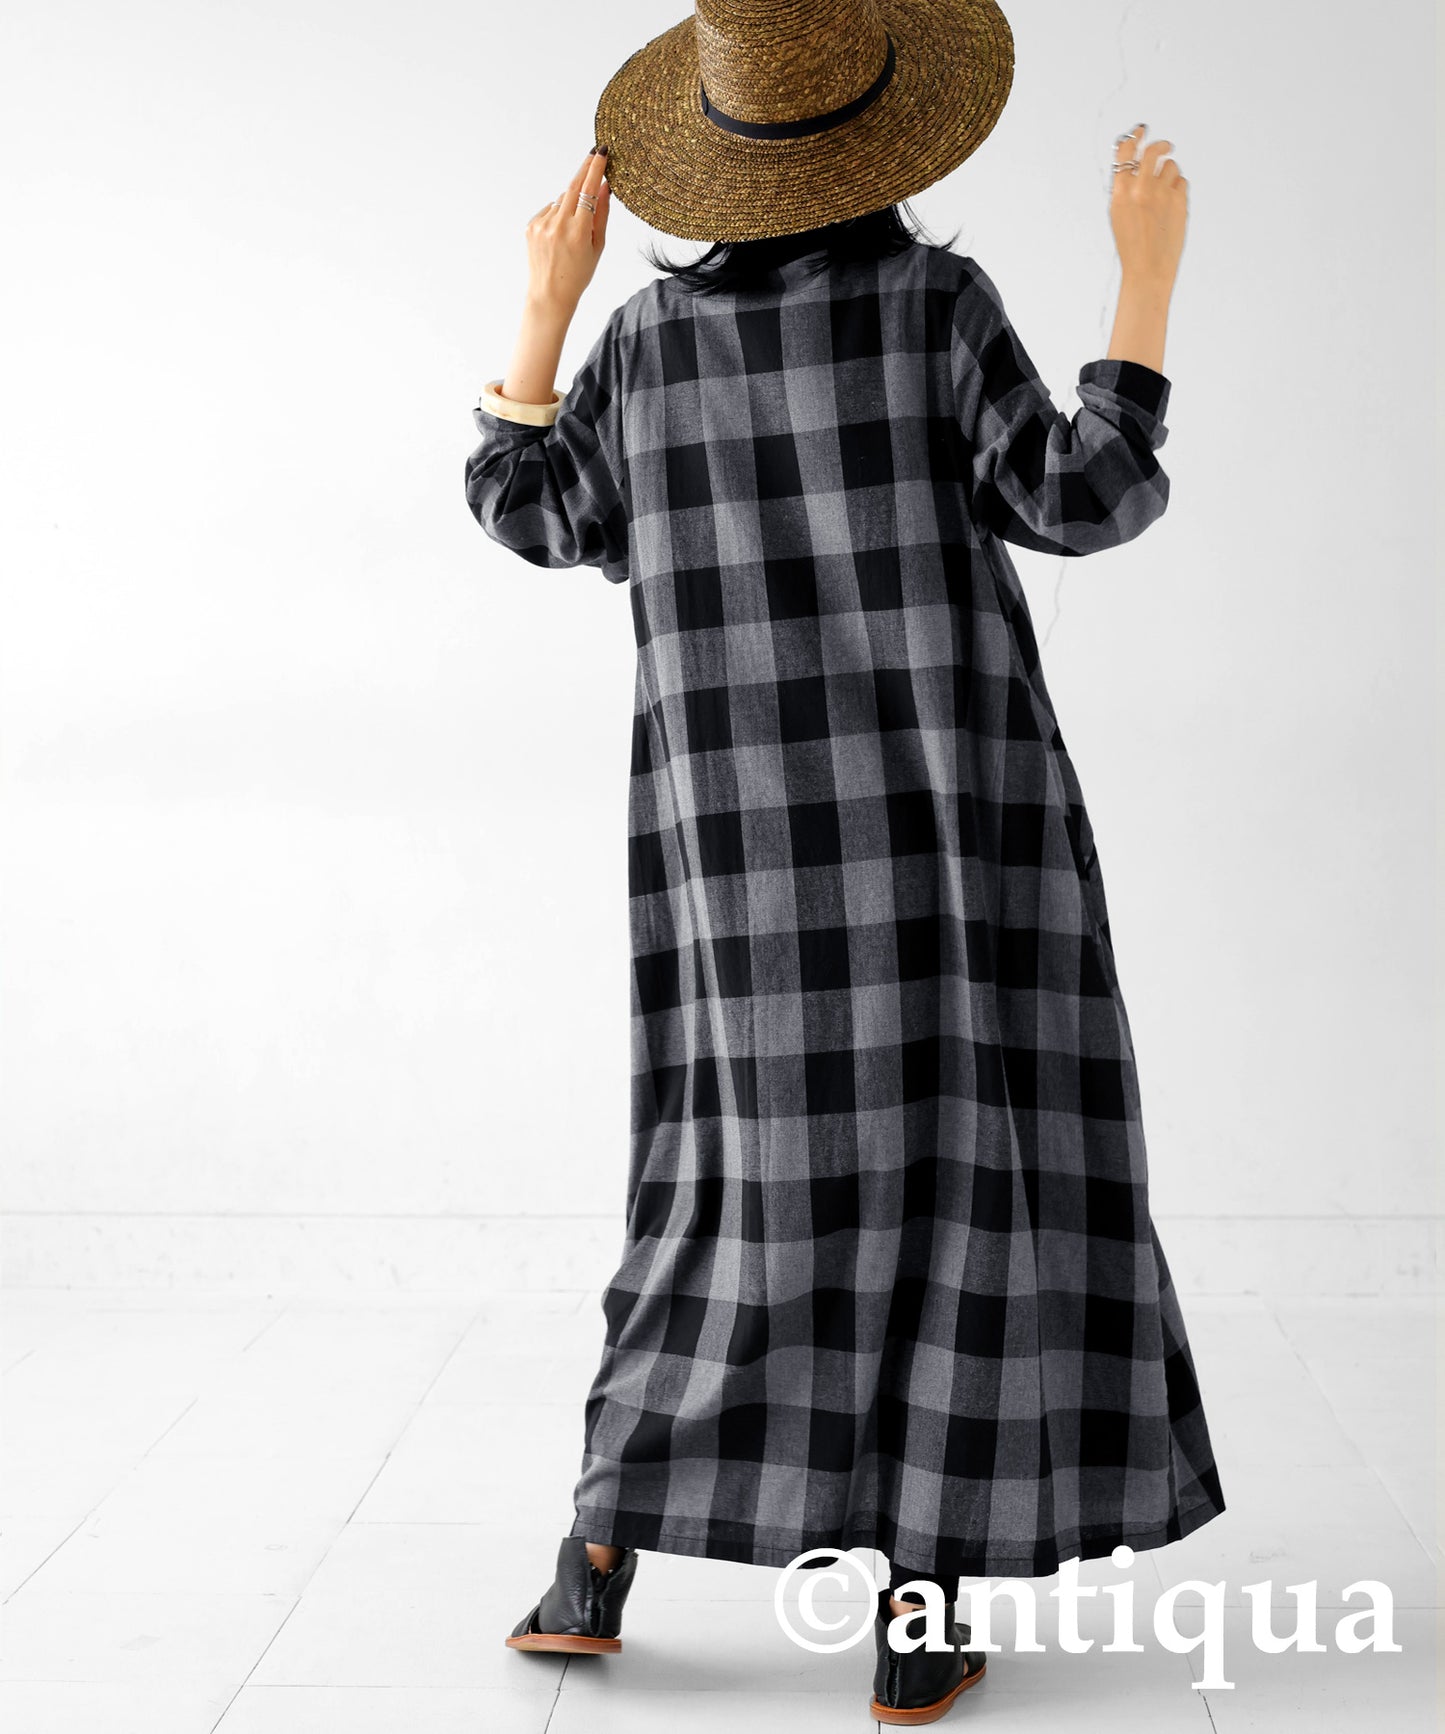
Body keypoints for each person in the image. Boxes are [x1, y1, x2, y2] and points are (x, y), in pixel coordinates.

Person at [463, 0, 1225, 1721]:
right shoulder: (930, 305)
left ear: (715, 155)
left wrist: (546, 300)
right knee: (954, 1175)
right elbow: (1084, 495)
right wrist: (1145, 279)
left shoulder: (646, 345)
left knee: (721, 1182)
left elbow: (527, 506)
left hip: (730, 865)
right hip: (954, 840)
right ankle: (917, 1609)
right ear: (883, 135)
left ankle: (594, 1556)